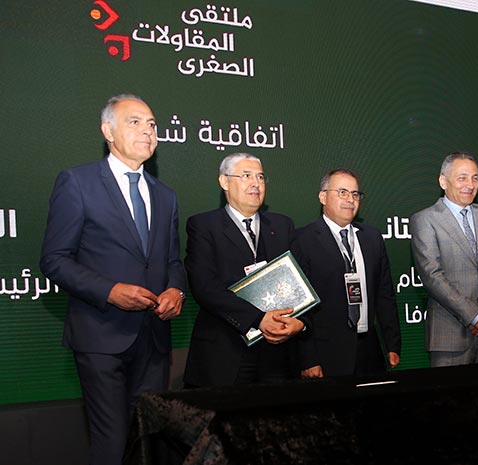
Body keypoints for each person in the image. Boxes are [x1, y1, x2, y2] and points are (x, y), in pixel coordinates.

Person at [39, 94, 187, 465]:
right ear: (108, 131)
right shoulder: (78, 182)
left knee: (148, 443)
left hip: (153, 340)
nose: (148, 131)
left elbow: (173, 260)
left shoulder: (165, 196)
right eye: (135, 122)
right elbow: (54, 260)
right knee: (113, 443)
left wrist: (176, 289)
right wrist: (110, 291)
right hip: (100, 335)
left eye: (152, 124)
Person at [183, 153, 306, 387]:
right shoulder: (204, 226)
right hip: (225, 351)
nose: (256, 183)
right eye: (246, 176)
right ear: (224, 181)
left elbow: (302, 281)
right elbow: (204, 287)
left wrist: (301, 322)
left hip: (278, 353)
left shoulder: (282, 225)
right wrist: (258, 319)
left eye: (260, 177)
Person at [291, 168, 401, 378]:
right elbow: (299, 305)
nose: (350, 199)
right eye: (342, 192)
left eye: (355, 194)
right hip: (326, 352)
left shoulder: (372, 238)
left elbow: (385, 295)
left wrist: (392, 344)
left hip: (370, 349)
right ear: (323, 197)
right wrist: (309, 358)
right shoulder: (303, 240)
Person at [410, 151, 478, 367]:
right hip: (449, 337)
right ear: (443, 181)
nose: (470, 185)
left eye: (475, 178)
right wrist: (475, 317)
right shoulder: (425, 219)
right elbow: (432, 276)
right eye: (462, 178)